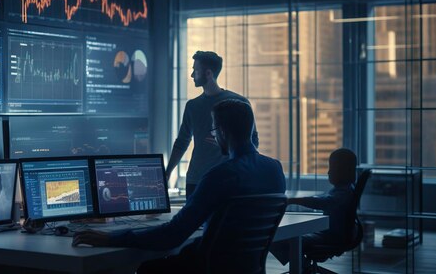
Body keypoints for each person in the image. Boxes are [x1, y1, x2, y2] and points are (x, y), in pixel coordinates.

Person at [73, 99, 286, 274]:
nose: (213, 135)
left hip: (207, 268)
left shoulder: (219, 175)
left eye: (214, 130)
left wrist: (113, 237)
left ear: (221, 131)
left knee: (147, 268)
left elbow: (173, 235)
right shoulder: (275, 170)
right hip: (246, 268)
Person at [166, 50, 259, 199]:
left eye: (195, 70)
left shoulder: (239, 103)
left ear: (208, 74)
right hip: (196, 181)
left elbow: (253, 140)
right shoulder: (192, 106)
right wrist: (168, 172)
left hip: (227, 179)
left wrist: (233, 155)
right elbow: (182, 142)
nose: (192, 75)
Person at [270, 148, 358, 268]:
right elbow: (326, 200)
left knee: (275, 239)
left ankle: (300, 266)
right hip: (334, 235)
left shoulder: (344, 192)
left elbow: (325, 202)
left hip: (330, 238)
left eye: (332, 168)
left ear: (343, 171)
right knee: (287, 239)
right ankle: (301, 265)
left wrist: (293, 200)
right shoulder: (346, 189)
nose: (328, 172)